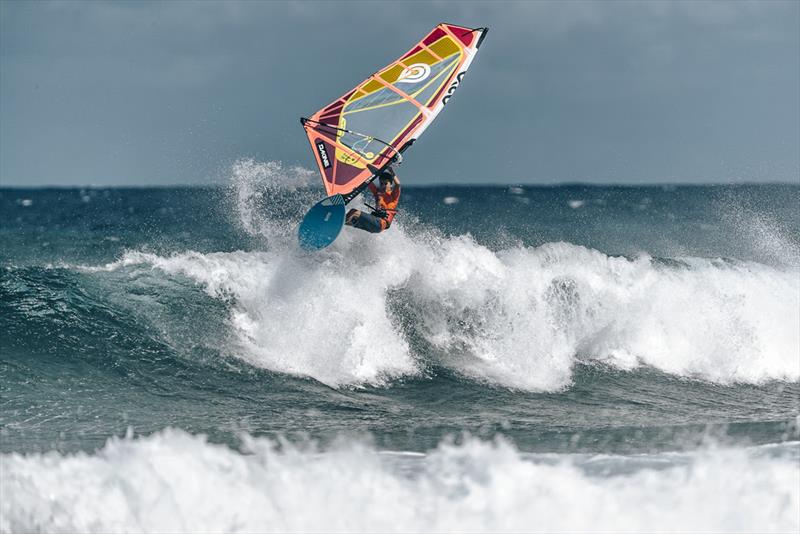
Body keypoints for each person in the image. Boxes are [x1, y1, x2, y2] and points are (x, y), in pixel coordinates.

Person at [345, 166, 400, 233]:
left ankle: (337, 224)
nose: (383, 186)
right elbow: (368, 180)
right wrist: (367, 165)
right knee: (352, 220)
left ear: (391, 184)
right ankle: (336, 228)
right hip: (373, 226)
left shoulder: (393, 196)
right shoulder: (377, 193)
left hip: (380, 224)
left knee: (354, 212)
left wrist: (391, 172)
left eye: (386, 183)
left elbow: (398, 184)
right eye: (381, 183)